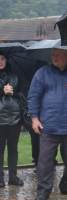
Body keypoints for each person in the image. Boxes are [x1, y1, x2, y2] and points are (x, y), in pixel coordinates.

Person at [28, 48, 67, 200]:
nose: (54, 58)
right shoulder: (42, 73)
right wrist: (34, 119)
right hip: (48, 124)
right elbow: (33, 96)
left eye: (58, 55)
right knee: (45, 160)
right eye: (53, 55)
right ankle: (43, 191)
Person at [0, 51, 24, 187]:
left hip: (15, 117)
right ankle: (0, 178)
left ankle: (12, 176)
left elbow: (23, 94)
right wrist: (2, 91)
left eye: (2, 58)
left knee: (13, 148)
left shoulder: (15, 76)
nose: (0, 61)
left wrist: (13, 92)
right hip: (0, 118)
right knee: (0, 148)